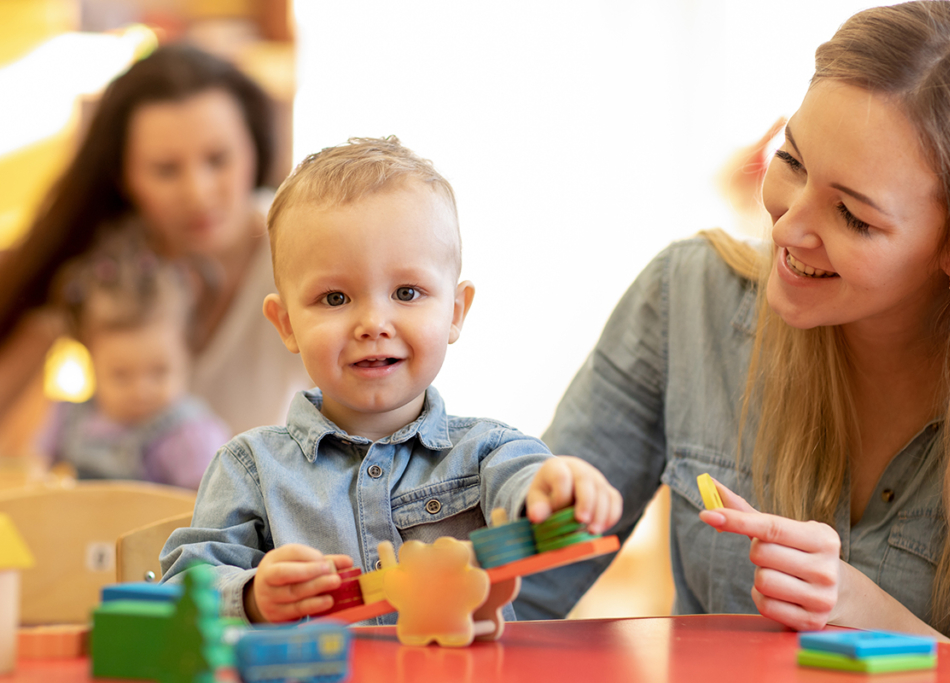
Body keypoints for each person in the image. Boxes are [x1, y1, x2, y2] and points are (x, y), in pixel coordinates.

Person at [515, 0, 950, 651]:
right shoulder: (686, 297)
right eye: (792, 162)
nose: (785, 226)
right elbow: (525, 575)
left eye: (853, 216)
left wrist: (873, 612)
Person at [159, 137, 623, 624]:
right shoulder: (249, 468)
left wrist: (558, 487)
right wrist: (252, 596)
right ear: (286, 324)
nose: (373, 323)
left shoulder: (489, 451)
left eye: (407, 292)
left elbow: (529, 486)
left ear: (455, 312)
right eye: (335, 298)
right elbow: (183, 590)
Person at [0, 43, 310, 441]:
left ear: (255, 149)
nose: (198, 194)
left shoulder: (301, 249)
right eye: (165, 170)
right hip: (131, 497)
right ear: (123, 177)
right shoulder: (106, 266)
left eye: (218, 159)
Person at [36, 231, 228, 489]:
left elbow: (209, 508)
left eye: (159, 372)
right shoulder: (69, 416)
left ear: (187, 354)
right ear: (90, 361)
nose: (141, 390)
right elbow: (35, 472)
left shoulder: (189, 434)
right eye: (120, 375)